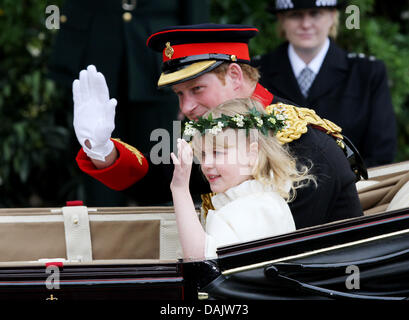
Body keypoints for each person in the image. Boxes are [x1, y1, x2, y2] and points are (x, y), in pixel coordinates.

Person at [73, 23, 364, 230]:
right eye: (180, 95)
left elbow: (285, 255)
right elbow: (160, 182)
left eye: (197, 89)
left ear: (235, 76)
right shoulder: (219, 133)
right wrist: (102, 149)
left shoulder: (302, 142)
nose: (186, 108)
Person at [48, 0, 210, 206]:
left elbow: (196, 12)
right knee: (98, 151)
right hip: (94, 43)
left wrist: (191, 70)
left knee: (160, 159)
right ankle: (105, 233)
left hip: (159, 53)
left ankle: (161, 233)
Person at [253, 0, 397, 168]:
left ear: (332, 16)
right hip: (275, 189)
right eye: (295, 15)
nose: (306, 24)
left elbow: (381, 153)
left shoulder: (367, 73)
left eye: (315, 13)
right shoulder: (256, 73)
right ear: (282, 19)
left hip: (355, 189)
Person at [170, 98, 315, 259]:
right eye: (203, 154)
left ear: (251, 154)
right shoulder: (256, 201)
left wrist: (180, 189)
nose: (206, 164)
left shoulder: (256, 208)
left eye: (217, 152)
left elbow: (200, 261)